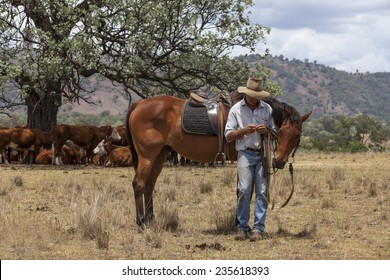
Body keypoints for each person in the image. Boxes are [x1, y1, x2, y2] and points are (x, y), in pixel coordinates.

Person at [224, 77, 277, 241]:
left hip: (263, 154)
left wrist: (267, 130)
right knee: (244, 190)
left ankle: (258, 229)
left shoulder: (267, 109)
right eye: (252, 95)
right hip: (245, 153)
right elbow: (228, 135)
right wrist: (243, 131)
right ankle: (242, 227)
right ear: (246, 93)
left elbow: (275, 133)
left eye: (257, 95)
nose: (254, 98)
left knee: (262, 192)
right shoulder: (235, 110)